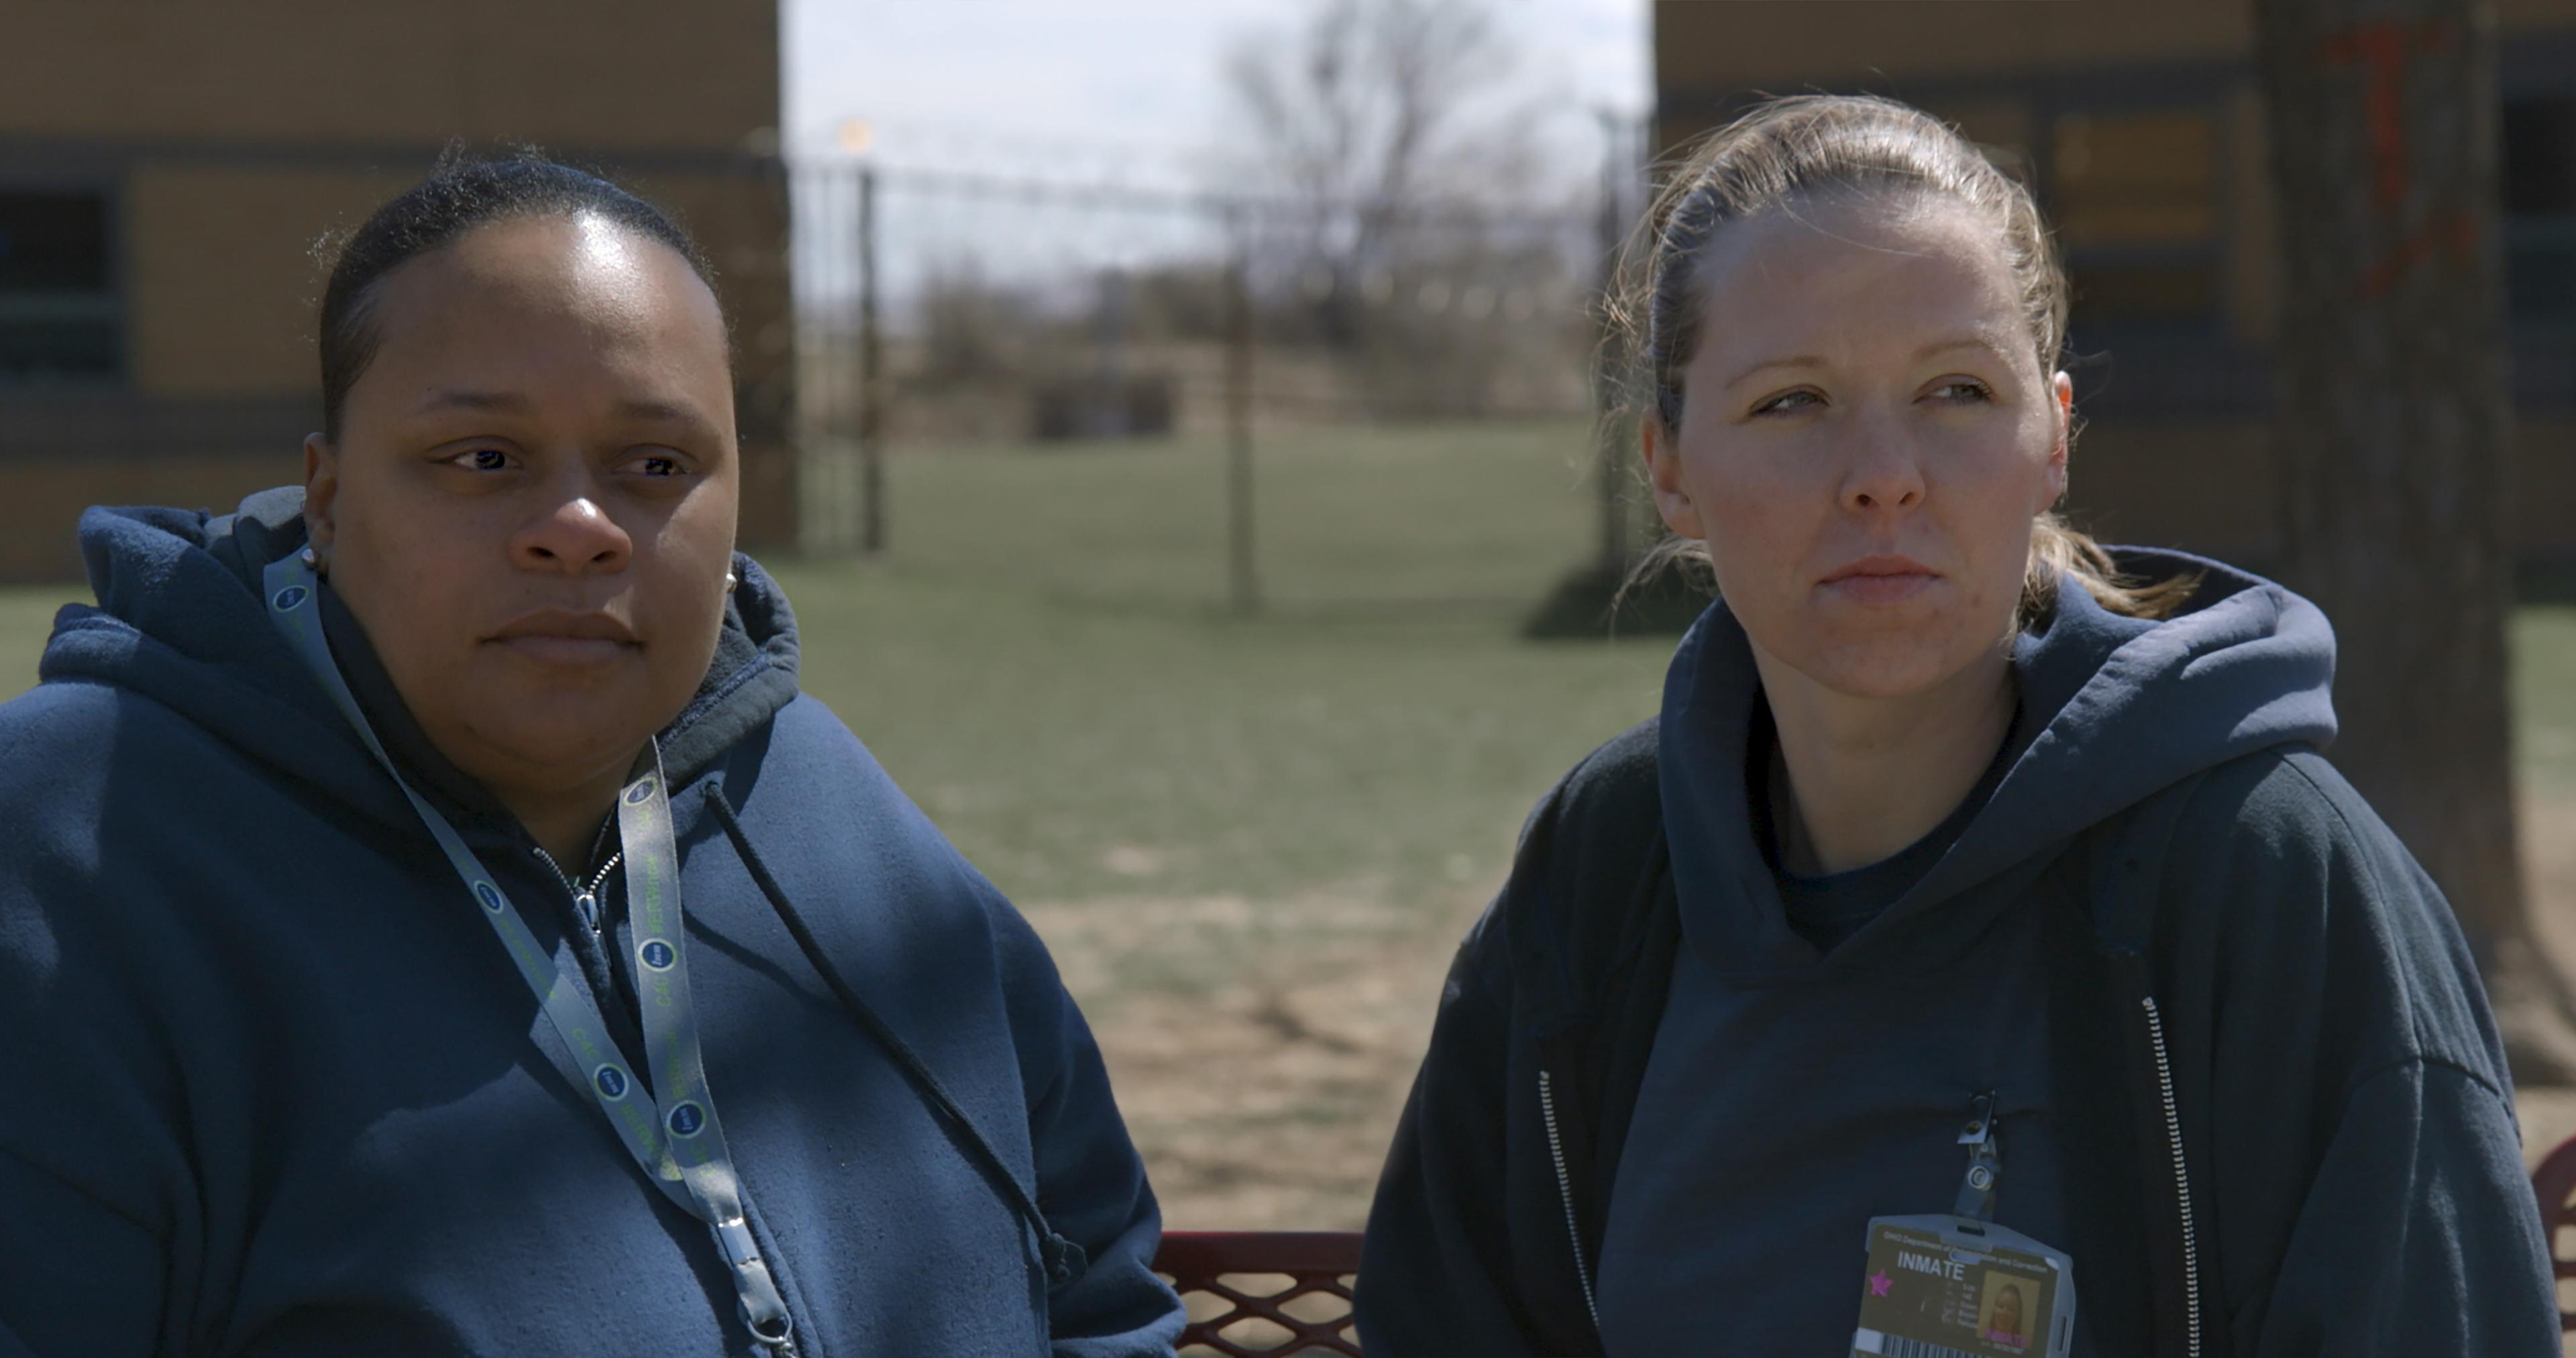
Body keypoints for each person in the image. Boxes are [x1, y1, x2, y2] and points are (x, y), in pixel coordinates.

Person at [1356, 95, 2559, 1355]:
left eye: (1956, 390)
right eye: (1791, 402)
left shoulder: (2273, 886)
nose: (1885, 470)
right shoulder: (1599, 877)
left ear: (2054, 439)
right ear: (1668, 468)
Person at [0, 152, 1185, 1357]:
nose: (580, 529)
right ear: (329, 494)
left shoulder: (826, 804)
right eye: (485, 459)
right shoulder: (67, 851)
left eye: (656, 466)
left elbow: (1103, 1295)